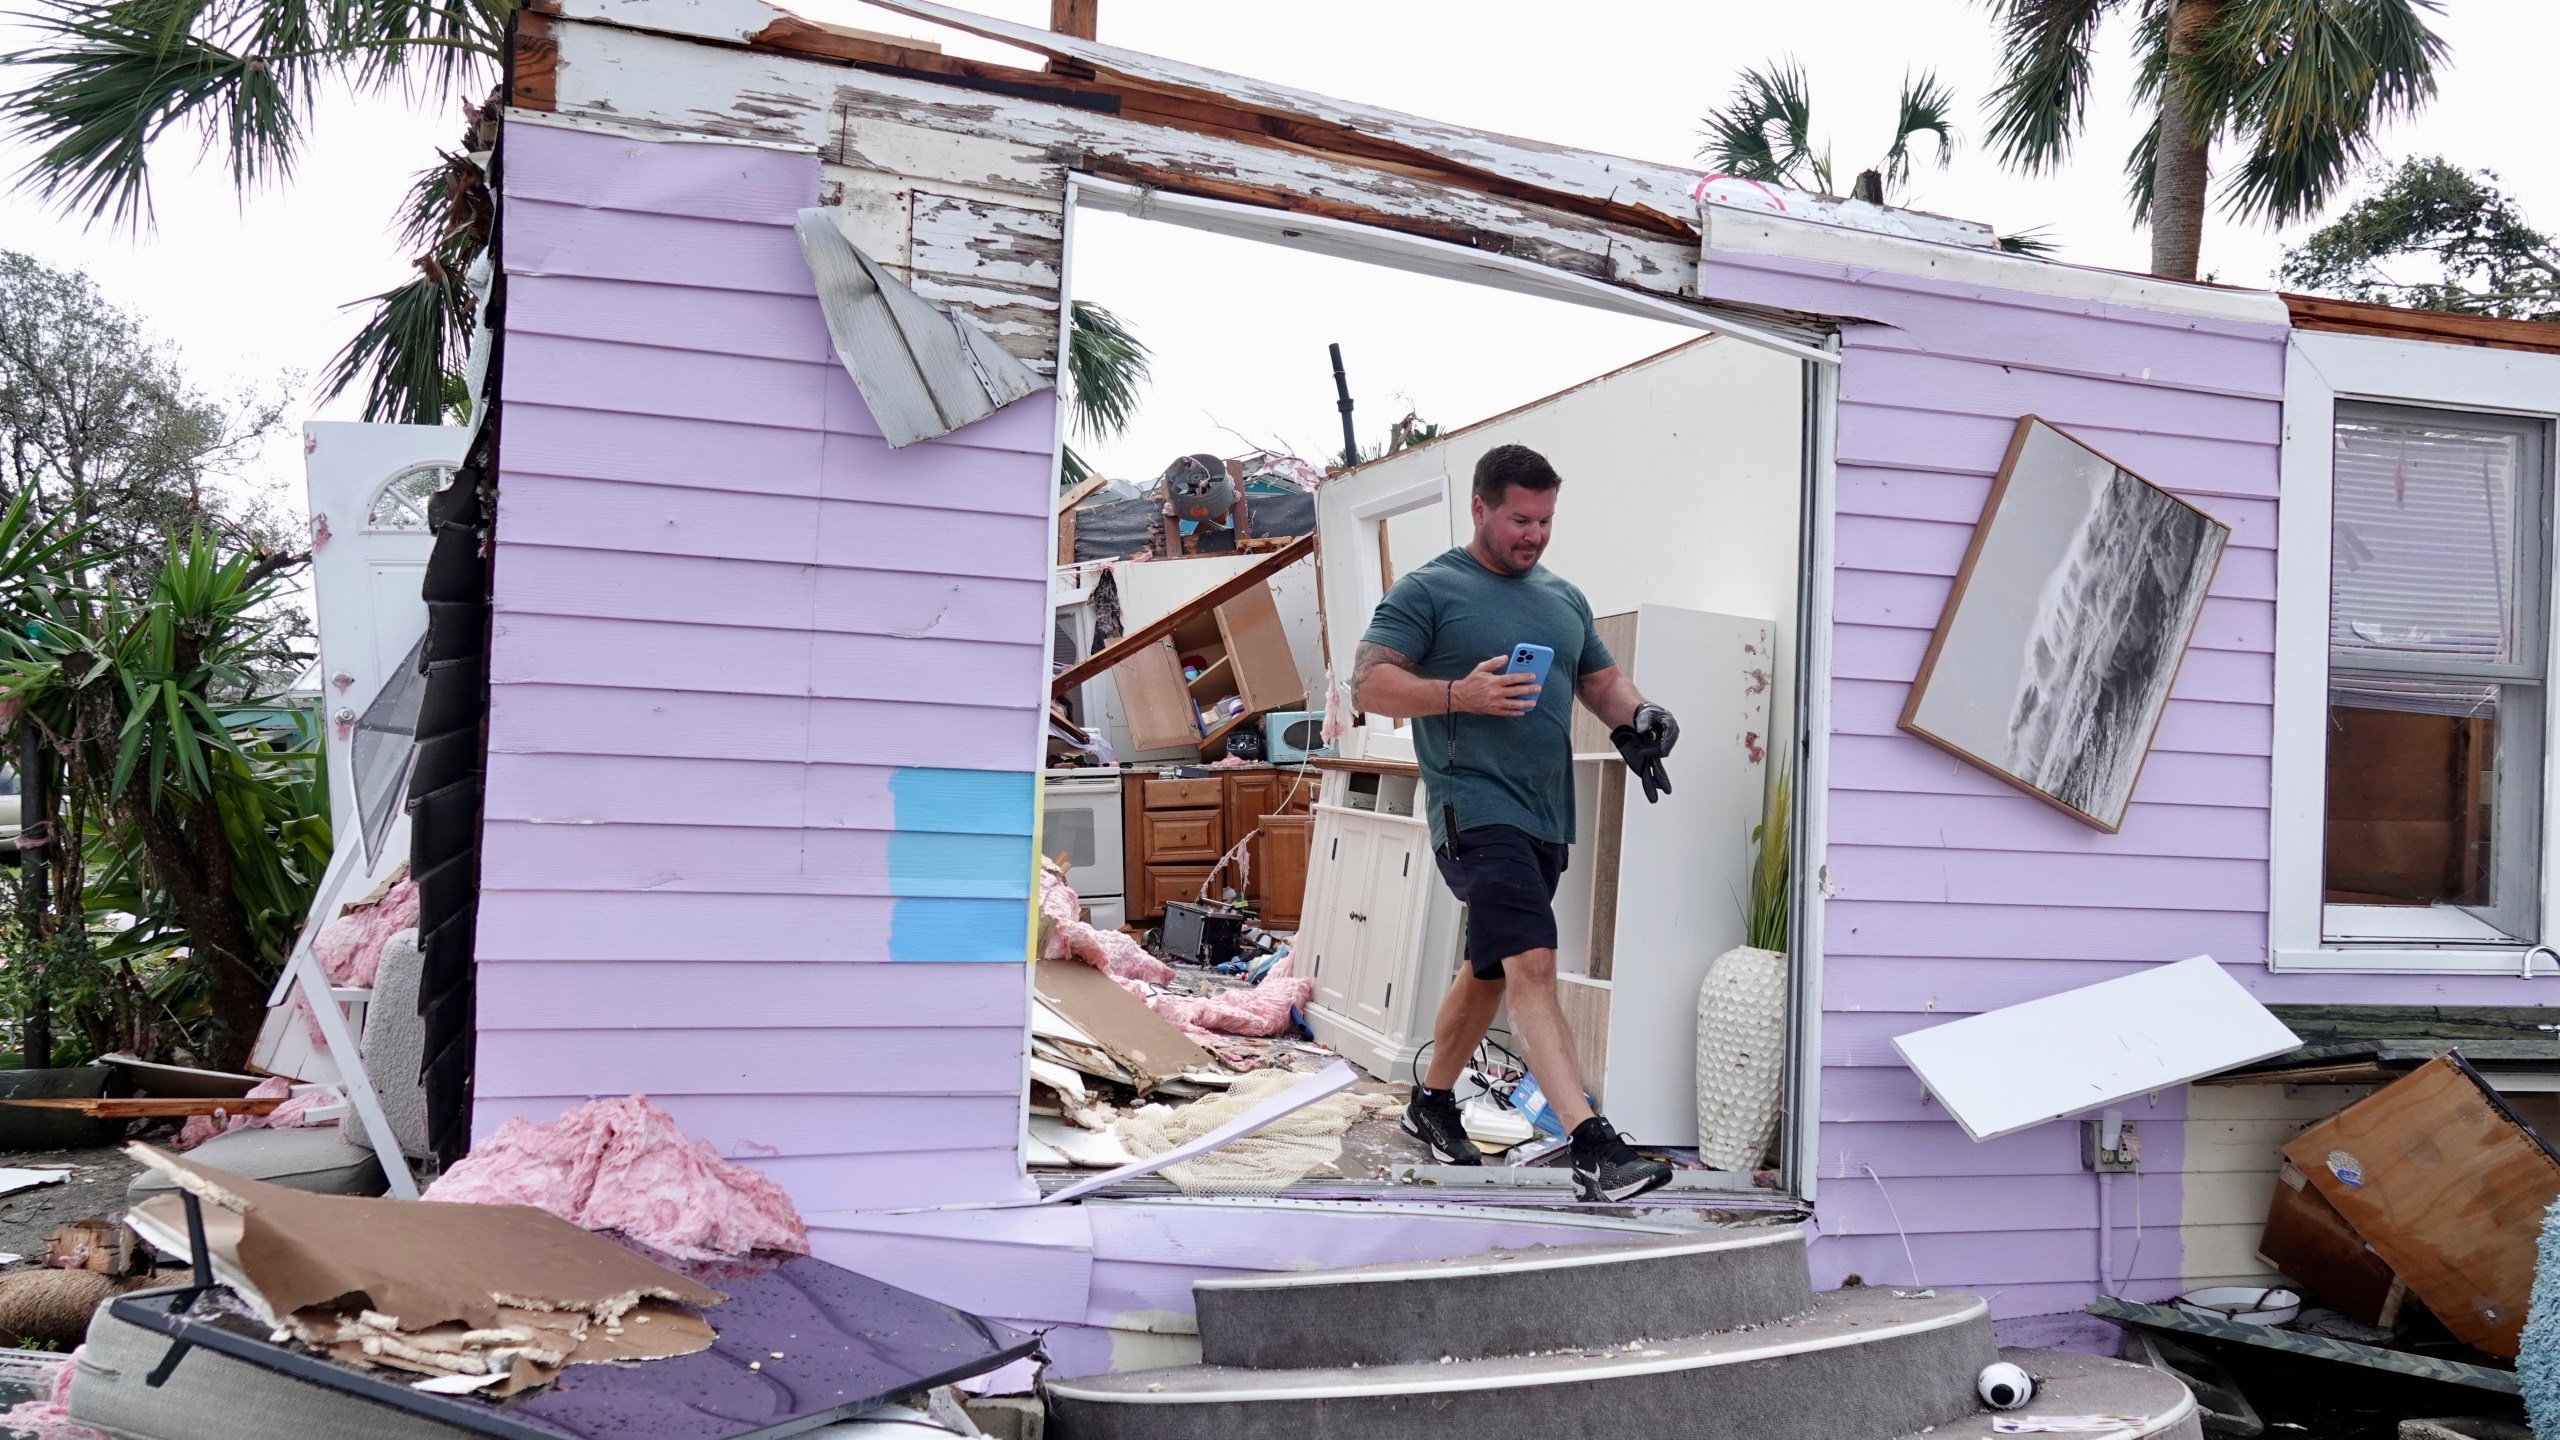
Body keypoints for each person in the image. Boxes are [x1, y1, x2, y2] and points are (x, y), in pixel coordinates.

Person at [1352, 443, 1680, 1203]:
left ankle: (1430, 1103)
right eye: (1519, 519)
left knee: (1492, 969)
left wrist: (1643, 717)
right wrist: (1455, 696)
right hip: (1475, 808)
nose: (1533, 534)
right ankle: (1592, 1145)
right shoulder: (1431, 589)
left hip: (1545, 813)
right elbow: (1370, 682)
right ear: (1480, 507)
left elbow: (1599, 680)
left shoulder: (1562, 598)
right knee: (1532, 958)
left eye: (1545, 520)